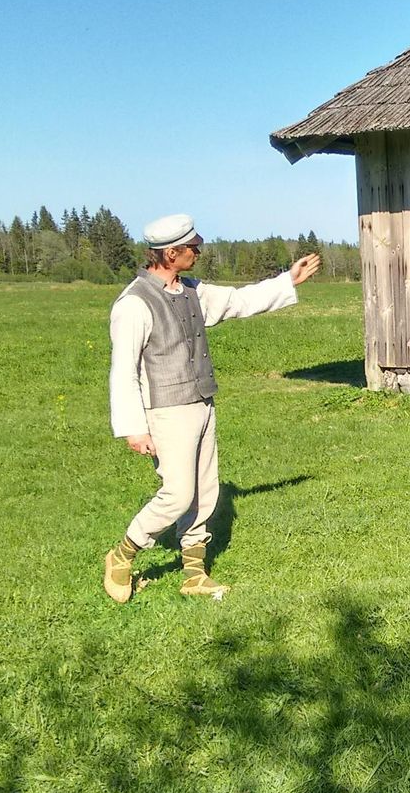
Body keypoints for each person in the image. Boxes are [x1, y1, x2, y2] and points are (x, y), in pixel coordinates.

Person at [103, 215, 321, 602]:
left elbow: (238, 301)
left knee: (206, 492)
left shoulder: (192, 291)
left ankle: (194, 575)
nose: (198, 252)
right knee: (177, 494)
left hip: (202, 403)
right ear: (171, 253)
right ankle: (123, 554)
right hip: (166, 412)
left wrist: (288, 280)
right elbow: (123, 371)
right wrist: (134, 429)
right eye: (192, 247)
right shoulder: (134, 303)